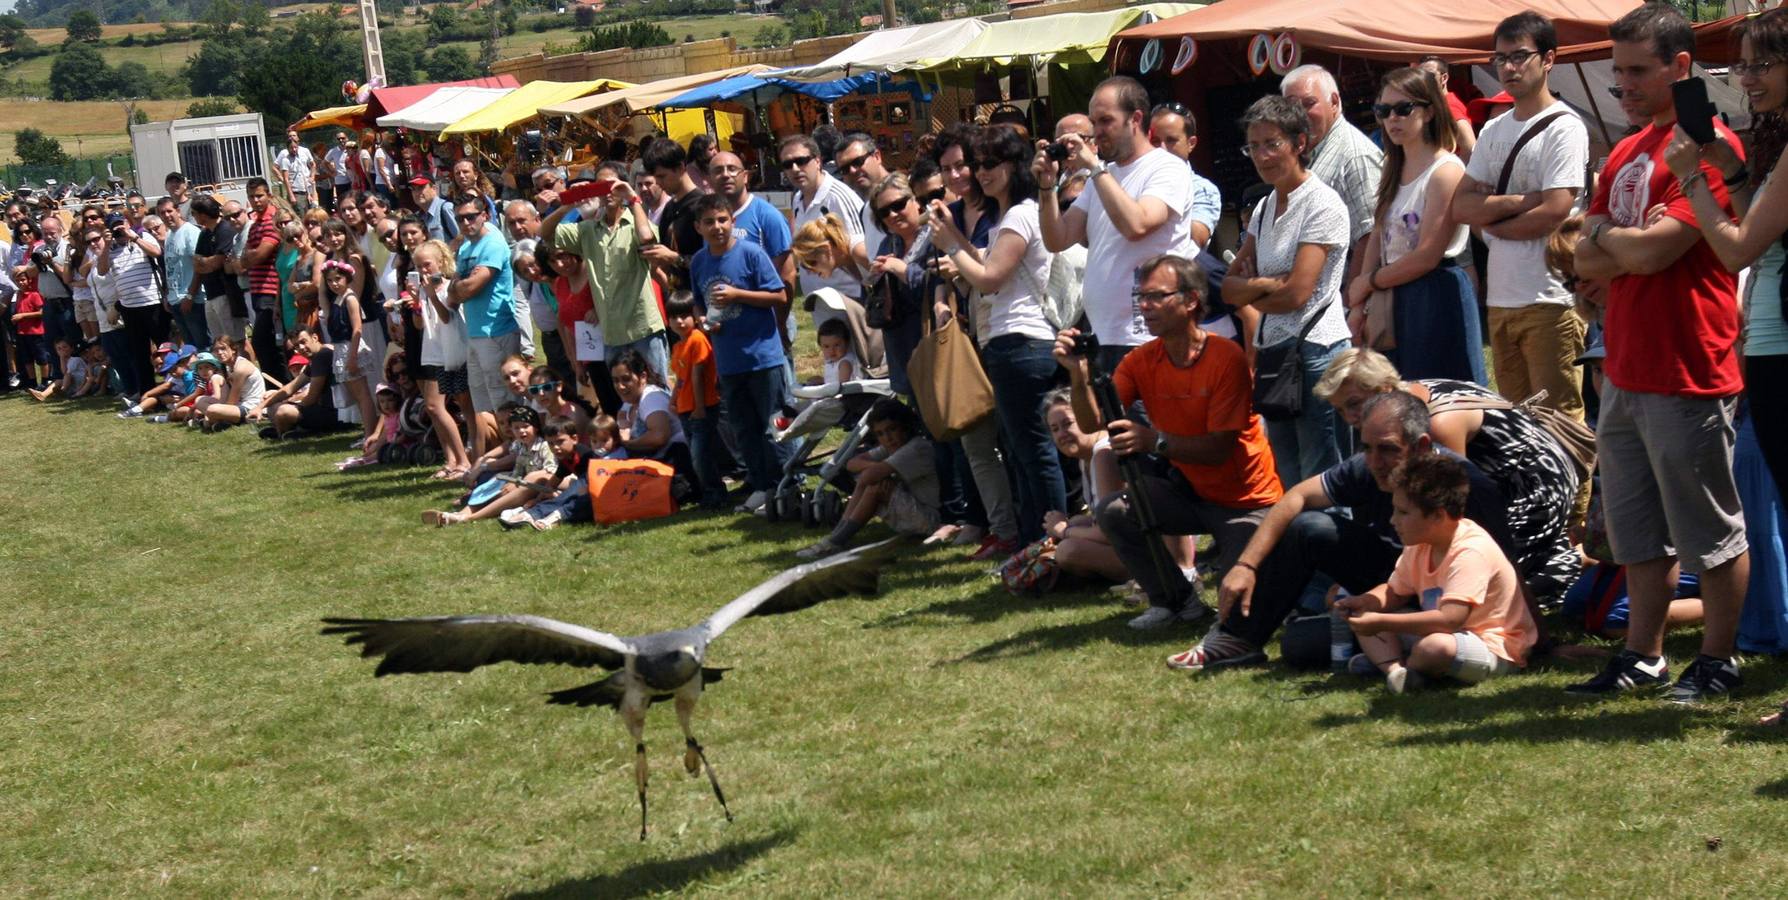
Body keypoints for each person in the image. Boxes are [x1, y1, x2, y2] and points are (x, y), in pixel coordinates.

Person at [1569, 2, 1752, 703]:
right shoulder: (1626, 146)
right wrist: (1618, 241)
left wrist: (1612, 243)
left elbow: (1651, 253)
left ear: (1682, 66)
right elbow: (1583, 244)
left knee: (1709, 531)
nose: (1624, 86)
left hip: (1688, 365)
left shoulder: (1711, 146)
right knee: (1637, 531)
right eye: (1616, 73)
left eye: (1636, 72)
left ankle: (1717, 661)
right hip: (1625, 362)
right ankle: (1642, 654)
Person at [1055, 254, 1283, 631]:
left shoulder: (1226, 358)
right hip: (1193, 494)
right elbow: (1092, 421)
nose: (1145, 306)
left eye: (1157, 296)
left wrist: (1154, 441)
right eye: (1141, 297)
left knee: (1241, 617)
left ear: (1191, 300)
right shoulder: (1142, 361)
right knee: (1115, 511)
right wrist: (1079, 376)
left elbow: (1220, 448)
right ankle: (1175, 601)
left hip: (1248, 503)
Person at [1211, 390, 1515, 671]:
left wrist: (1537, 642)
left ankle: (1398, 657)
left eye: (1387, 449)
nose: (1373, 462)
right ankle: (1239, 639)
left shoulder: (1466, 487)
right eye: (1365, 447)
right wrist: (1245, 565)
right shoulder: (1366, 467)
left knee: (1308, 644)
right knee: (1298, 638)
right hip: (1400, 588)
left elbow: (1506, 571)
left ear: (1422, 446)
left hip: (1454, 610)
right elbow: (1297, 497)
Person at [1316, 347, 1582, 606]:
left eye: (1354, 404)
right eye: (1340, 410)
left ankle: (1570, 566)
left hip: (1533, 482)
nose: (1349, 417)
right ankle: (1559, 553)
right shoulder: (1396, 407)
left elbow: (1452, 501)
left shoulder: (1436, 425)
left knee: (1488, 582)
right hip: (1496, 480)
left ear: (1384, 389)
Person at [1663, 7, 1788, 495]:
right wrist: (1732, 170)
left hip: (1780, 346)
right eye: (1742, 65)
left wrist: (1691, 176)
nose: (1747, 78)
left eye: (1763, 65)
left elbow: (1738, 251)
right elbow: (1762, 234)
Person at [929, 125, 1070, 545]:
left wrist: (952, 246)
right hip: (1011, 343)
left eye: (990, 164)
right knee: (1024, 453)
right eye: (978, 164)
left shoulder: (1021, 213)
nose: (980, 173)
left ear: (1014, 165)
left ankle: (1050, 542)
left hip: (1020, 342)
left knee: (1034, 452)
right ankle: (1034, 542)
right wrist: (955, 240)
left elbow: (989, 280)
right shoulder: (1007, 217)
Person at [1452, 11, 1590, 422]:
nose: (1508, 68)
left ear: (1548, 59)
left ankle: (1573, 491)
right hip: (1501, 299)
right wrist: (1518, 202)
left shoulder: (1564, 127)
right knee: (1516, 423)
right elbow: (1461, 207)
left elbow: (1554, 211)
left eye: (1519, 56)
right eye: (1500, 59)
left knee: (1559, 423)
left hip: (1550, 297)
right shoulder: (1494, 130)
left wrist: (1491, 219)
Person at [1222, 95, 1353, 486]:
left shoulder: (1322, 205)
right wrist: (1262, 285)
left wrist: (1250, 291)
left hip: (1316, 354)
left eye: (1272, 143)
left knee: (1322, 476)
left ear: (1300, 144)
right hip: (1275, 353)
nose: (1262, 156)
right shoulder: (1263, 207)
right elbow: (1227, 289)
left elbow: (1297, 294)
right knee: (1288, 477)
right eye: (1254, 146)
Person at [1038, 76, 1200, 371]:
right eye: (1094, 122)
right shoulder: (1102, 176)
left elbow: (1136, 225)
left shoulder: (1167, 167)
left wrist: (1095, 168)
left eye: (1105, 121)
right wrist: (1047, 187)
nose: (1096, 133)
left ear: (1135, 119)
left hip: (1149, 336)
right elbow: (1057, 239)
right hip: (1104, 335)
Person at [1340, 453, 1536, 693]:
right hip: (1444, 635)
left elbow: (1450, 618)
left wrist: (1381, 620)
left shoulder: (1470, 550)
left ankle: (1395, 662)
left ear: (1437, 515)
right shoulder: (1420, 543)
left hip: (1491, 646)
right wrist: (1365, 603)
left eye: (1403, 513)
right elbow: (1395, 592)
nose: (1393, 520)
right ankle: (1398, 672)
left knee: (1434, 648)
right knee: (1373, 616)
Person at [1346, 66, 1485, 384]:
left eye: (1403, 109)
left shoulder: (1445, 170)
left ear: (1430, 110)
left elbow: (1427, 255)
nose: (1392, 118)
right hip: (1393, 294)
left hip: (1436, 293)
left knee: (1442, 400)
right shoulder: (1392, 168)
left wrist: (1369, 282)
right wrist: (1359, 304)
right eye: (1383, 110)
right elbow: (1379, 235)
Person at [687, 191, 791, 514]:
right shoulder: (699, 261)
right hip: (729, 360)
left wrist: (737, 295)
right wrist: (704, 320)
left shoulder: (751, 254)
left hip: (762, 356)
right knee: (744, 429)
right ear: (698, 227)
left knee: (773, 424)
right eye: (709, 222)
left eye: (722, 220)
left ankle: (787, 485)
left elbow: (779, 297)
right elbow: (698, 302)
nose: (717, 227)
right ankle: (760, 486)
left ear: (732, 221)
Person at [543, 165, 668, 378]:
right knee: (625, 399)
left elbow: (647, 238)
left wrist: (633, 199)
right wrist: (567, 206)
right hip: (611, 334)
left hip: (643, 328)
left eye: (612, 186)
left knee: (657, 389)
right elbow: (545, 234)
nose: (608, 192)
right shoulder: (587, 230)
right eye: (601, 187)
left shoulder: (636, 223)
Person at [796, 399, 941, 559]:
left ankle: (836, 539)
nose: (887, 438)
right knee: (875, 480)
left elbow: (867, 476)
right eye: (880, 434)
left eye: (892, 429)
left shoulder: (915, 447)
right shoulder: (891, 448)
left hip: (930, 521)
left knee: (876, 486)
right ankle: (835, 537)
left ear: (905, 427)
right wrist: (875, 469)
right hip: (911, 515)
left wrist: (876, 471)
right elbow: (851, 463)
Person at [1281, 64, 1386, 277]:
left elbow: (1372, 236)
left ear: (1334, 102)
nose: (1300, 114)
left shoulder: (1355, 156)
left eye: (1309, 104)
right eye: (1292, 107)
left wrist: (1351, 303)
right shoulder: (1311, 151)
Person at [447, 192, 523, 460]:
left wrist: (458, 287)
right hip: (475, 333)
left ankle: (516, 456)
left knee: (503, 401)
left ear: (485, 216)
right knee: (483, 405)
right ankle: (493, 458)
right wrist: (458, 287)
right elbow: (454, 293)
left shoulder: (493, 244)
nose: (466, 223)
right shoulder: (467, 247)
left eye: (471, 216)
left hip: (497, 330)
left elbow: (469, 287)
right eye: (460, 219)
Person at [408, 239, 475, 479]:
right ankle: (452, 459)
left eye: (426, 265)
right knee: (435, 407)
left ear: (441, 262)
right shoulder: (425, 291)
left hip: (454, 351)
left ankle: (465, 459)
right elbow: (419, 324)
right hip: (435, 353)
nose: (423, 270)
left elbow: (447, 318)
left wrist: (431, 297)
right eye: (418, 266)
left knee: (451, 405)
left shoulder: (448, 287)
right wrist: (416, 302)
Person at [425, 406, 555, 527]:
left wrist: (528, 492)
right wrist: (512, 480)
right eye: (516, 428)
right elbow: (518, 468)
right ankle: (460, 513)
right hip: (521, 480)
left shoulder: (544, 446)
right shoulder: (521, 445)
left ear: (536, 427)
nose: (521, 431)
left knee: (501, 491)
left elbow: (549, 474)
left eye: (526, 426)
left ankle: (468, 517)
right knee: (494, 484)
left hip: (535, 488)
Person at [782, 134, 865, 299]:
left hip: (849, 299)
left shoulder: (838, 197)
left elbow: (860, 250)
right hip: (819, 301)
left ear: (818, 161)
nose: (795, 169)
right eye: (788, 164)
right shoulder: (798, 199)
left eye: (801, 161)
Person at [91, 211, 162, 399]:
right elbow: (102, 270)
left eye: (121, 224)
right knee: (139, 353)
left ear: (128, 223)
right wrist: (107, 244)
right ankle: (147, 392)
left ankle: (174, 385)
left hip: (152, 302)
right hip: (130, 307)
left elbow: (156, 252)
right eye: (115, 226)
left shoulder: (142, 235)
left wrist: (134, 237)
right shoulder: (110, 247)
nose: (119, 229)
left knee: (164, 347)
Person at [666, 292, 727, 508]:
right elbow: (681, 378)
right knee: (698, 456)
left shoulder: (697, 340)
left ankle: (715, 493)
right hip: (685, 409)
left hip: (702, 407)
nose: (679, 321)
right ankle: (710, 493)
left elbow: (698, 375)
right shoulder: (677, 346)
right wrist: (673, 400)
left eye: (684, 315)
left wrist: (700, 407)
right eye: (674, 317)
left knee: (701, 456)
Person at [1145, 102, 1221, 251]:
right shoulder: (1134, 179)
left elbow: (1195, 239)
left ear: (1191, 143)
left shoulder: (1202, 189)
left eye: (1171, 140)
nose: (1162, 148)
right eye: (1155, 141)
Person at [611, 348, 694, 482]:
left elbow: (659, 436)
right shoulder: (627, 404)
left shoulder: (651, 398)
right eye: (615, 381)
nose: (620, 386)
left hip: (675, 463)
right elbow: (621, 424)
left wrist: (627, 443)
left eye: (626, 379)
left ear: (643, 377)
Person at [318, 258, 378, 442]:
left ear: (347, 278)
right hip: (341, 346)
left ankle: (370, 433)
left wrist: (352, 358)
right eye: (330, 280)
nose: (334, 283)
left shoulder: (350, 298)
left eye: (338, 279)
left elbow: (357, 328)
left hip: (350, 346)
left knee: (363, 394)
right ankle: (367, 431)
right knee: (357, 394)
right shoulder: (338, 297)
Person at [242, 178, 288, 384]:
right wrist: (248, 257)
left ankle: (280, 385)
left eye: (259, 195)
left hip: (271, 290)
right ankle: (274, 386)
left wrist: (248, 256)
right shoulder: (255, 223)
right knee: (265, 342)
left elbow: (259, 255)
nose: (255, 200)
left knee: (266, 341)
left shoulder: (273, 220)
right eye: (251, 196)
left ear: (269, 195)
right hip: (258, 289)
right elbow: (245, 259)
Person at [264, 325, 342, 437]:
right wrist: (260, 407)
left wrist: (291, 406)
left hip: (337, 414)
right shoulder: (319, 355)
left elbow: (312, 397)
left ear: (315, 337)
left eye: (303, 342)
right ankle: (289, 429)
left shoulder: (322, 356)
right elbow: (291, 387)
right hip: (331, 410)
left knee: (283, 411)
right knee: (274, 407)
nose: (301, 348)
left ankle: (292, 431)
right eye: (296, 345)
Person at [189, 196, 246, 348]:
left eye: (194, 213)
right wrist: (208, 262)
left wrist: (208, 262)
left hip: (226, 293)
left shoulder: (225, 229)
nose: (193, 217)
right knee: (219, 342)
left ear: (203, 214)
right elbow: (197, 263)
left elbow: (218, 262)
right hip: (210, 294)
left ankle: (245, 368)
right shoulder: (204, 233)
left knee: (235, 341)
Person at [155, 197, 206, 350]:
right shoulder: (170, 235)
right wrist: (167, 294)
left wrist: (190, 295)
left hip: (193, 299)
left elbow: (199, 267)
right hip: (175, 299)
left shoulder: (190, 232)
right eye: (162, 213)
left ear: (178, 211)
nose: (166, 215)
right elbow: (170, 267)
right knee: (190, 348)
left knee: (203, 345)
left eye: (169, 211)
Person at [834, 132, 890, 270]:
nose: (852, 171)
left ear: (877, 156)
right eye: (845, 169)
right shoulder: (865, 211)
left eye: (858, 162)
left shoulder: (910, 194)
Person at [1415, 56, 1479, 161]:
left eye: (1429, 75)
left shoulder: (1450, 107)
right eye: (1421, 75)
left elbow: (1470, 147)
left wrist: (1458, 175)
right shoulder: (1439, 104)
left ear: (1444, 78)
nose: (1423, 80)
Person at [197, 335, 266, 431]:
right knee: (199, 400)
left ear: (233, 350)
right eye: (216, 350)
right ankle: (220, 421)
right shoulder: (227, 367)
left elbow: (232, 401)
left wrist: (218, 411)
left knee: (212, 410)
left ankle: (220, 420)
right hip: (238, 404)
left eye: (223, 349)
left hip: (250, 406)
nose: (220, 353)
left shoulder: (241, 367)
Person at [337, 384, 404, 470]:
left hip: (398, 445)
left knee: (380, 453)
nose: (386, 405)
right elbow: (385, 435)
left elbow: (403, 433)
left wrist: (390, 444)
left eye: (390, 400)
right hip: (388, 443)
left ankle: (363, 461)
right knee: (374, 446)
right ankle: (363, 457)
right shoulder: (388, 416)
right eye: (382, 402)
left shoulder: (399, 416)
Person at [274, 130, 317, 211]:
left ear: (298, 137)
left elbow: (313, 164)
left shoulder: (305, 151)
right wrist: (282, 179)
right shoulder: (284, 155)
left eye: (294, 135)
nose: (292, 137)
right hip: (296, 190)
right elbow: (275, 168)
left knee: (312, 212)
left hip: (308, 187)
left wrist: (312, 176)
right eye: (290, 136)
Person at [411, 177, 459, 242]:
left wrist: (447, 251)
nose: (416, 193)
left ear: (434, 189)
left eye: (420, 188)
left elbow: (461, 237)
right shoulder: (417, 216)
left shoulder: (445, 208)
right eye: (413, 189)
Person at [814, 318, 857, 387]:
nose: (832, 351)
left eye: (837, 345)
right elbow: (832, 380)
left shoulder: (844, 364)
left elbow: (842, 387)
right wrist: (822, 380)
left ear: (846, 343)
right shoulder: (831, 361)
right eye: (826, 346)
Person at [325, 132, 354, 212]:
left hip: (353, 180)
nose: (341, 140)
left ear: (347, 138)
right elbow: (325, 163)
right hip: (341, 181)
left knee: (353, 201)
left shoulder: (352, 148)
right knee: (343, 202)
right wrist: (332, 172)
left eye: (343, 138)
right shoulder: (333, 151)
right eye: (339, 139)